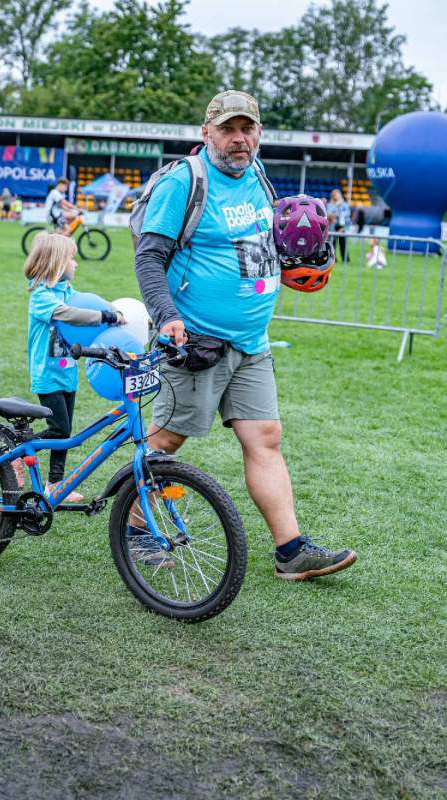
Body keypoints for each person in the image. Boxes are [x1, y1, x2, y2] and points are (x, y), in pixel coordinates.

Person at [134, 89, 356, 581]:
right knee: (167, 439)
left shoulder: (256, 175)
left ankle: (291, 551)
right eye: (229, 129)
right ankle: (135, 527)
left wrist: (303, 264)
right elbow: (149, 257)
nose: (240, 139)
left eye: (248, 129)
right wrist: (166, 315)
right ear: (206, 131)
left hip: (252, 341)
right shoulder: (184, 183)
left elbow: (262, 241)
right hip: (196, 341)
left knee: (266, 439)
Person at [24, 232, 123, 500]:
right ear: (57, 262)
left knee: (64, 432)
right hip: (47, 374)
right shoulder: (41, 296)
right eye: (72, 258)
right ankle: (20, 450)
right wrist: (105, 316)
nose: (76, 264)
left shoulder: (67, 291)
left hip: (67, 372)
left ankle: (54, 484)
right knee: (59, 429)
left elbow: (88, 303)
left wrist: (117, 311)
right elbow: (69, 314)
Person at [327, 188, 351, 263]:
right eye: (335, 195)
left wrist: (337, 214)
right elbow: (328, 213)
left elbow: (347, 214)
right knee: (332, 242)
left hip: (342, 225)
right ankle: (333, 258)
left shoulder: (344, 205)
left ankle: (345, 259)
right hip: (332, 225)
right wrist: (336, 206)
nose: (336, 197)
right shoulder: (330, 204)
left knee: (343, 242)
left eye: (338, 195)